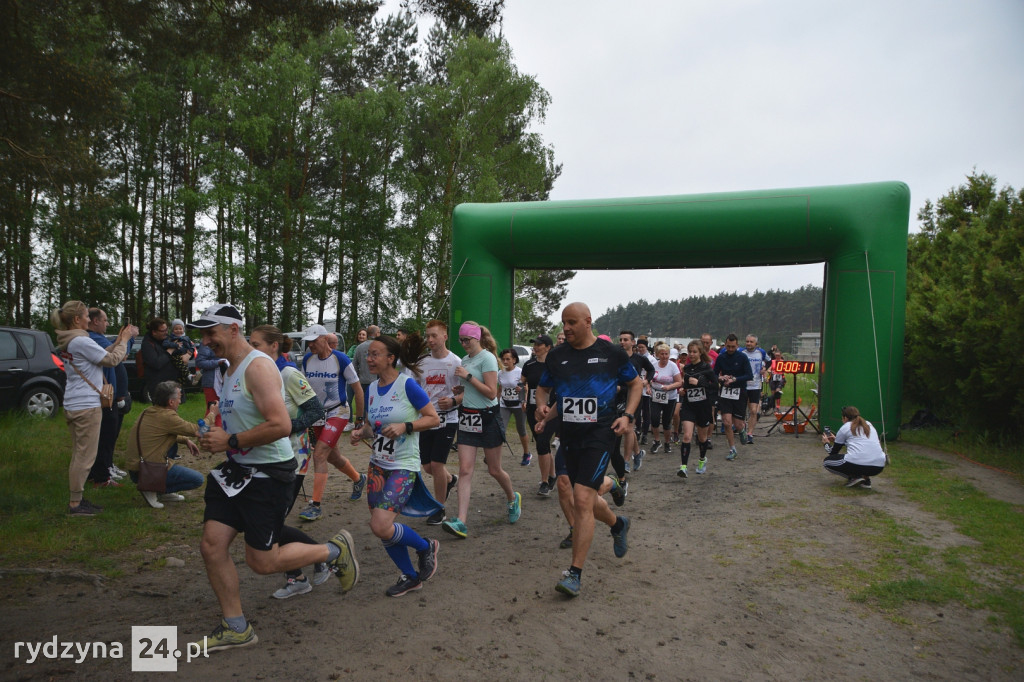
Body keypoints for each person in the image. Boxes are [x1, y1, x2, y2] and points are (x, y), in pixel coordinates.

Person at [188, 303, 359, 652]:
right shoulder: (232, 367)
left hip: (268, 475)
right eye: (202, 334)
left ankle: (331, 551)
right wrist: (217, 433)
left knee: (261, 562)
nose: (205, 341)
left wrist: (231, 441)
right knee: (211, 545)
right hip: (236, 471)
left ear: (233, 329)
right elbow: (244, 417)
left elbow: (280, 425)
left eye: (211, 333)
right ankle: (236, 626)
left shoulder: (260, 367)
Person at [534, 302, 640, 598]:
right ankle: (618, 522)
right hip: (568, 434)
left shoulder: (611, 354)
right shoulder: (557, 357)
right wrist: (543, 408)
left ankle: (574, 573)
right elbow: (545, 389)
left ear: (587, 322)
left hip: (600, 433)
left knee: (582, 498)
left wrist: (627, 416)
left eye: (571, 322)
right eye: (563, 323)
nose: (565, 328)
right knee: (567, 485)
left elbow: (636, 384)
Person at [349, 333, 441, 597]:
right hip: (378, 465)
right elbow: (372, 427)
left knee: (380, 525)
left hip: (403, 465)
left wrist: (406, 426)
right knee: (383, 528)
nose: (369, 359)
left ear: (391, 358)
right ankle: (411, 576)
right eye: (368, 355)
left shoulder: (407, 385)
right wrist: (361, 433)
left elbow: (433, 419)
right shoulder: (371, 389)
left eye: (375, 354)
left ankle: (425, 546)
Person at [248, 325, 333, 599]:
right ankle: (305, 568)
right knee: (271, 521)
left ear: (274, 346)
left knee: (274, 522)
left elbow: (315, 410)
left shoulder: (288, 374)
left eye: (256, 344)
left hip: (292, 459)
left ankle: (322, 556)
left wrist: (287, 426)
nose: (251, 349)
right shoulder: (257, 375)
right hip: (264, 459)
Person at [52, 301, 137, 515]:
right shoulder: (80, 340)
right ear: (77, 320)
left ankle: (78, 498)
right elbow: (111, 360)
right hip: (86, 406)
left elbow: (99, 353)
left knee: (80, 453)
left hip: (74, 402)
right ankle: (75, 504)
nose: (89, 320)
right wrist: (125, 340)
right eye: (86, 317)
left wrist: (118, 339)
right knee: (85, 456)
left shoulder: (70, 340)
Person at [441, 321, 521, 539]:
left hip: (488, 418)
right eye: (461, 340)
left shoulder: (487, 358)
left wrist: (468, 378)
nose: (464, 344)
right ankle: (461, 522)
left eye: (467, 340)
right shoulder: (465, 359)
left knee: (494, 469)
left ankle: (512, 498)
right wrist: (462, 388)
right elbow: (471, 388)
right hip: (467, 416)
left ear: (477, 338)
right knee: (465, 470)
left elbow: (490, 393)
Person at [296, 324, 367, 521]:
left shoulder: (340, 359)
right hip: (316, 413)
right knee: (331, 456)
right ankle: (358, 478)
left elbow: (358, 390)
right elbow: (302, 389)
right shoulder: (308, 359)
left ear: (325, 340)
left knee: (319, 454)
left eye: (313, 341)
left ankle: (315, 505)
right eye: (307, 342)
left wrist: (359, 419)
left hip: (338, 411)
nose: (310, 345)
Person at [126, 380, 206, 508]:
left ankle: (161, 490)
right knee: (198, 479)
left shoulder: (149, 411)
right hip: (147, 471)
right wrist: (213, 413)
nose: (180, 401)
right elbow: (199, 431)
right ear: (171, 402)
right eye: (179, 398)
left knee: (173, 443)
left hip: (137, 468)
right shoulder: (167, 417)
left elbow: (164, 432)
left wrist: (186, 440)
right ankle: (152, 488)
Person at [417, 320, 460, 525]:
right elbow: (413, 388)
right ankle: (450, 480)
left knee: (436, 464)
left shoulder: (456, 362)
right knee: (427, 467)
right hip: (426, 420)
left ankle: (439, 508)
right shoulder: (421, 362)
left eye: (434, 336)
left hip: (448, 419)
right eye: (428, 336)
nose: (430, 340)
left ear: (445, 336)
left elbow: (467, 393)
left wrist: (453, 400)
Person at [86, 307, 131, 487]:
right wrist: (125, 340)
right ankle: (101, 476)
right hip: (101, 396)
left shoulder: (93, 339)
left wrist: (123, 338)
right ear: (95, 321)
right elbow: (114, 358)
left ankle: (100, 471)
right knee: (105, 436)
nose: (107, 323)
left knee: (106, 435)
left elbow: (111, 350)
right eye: (105, 320)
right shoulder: (90, 338)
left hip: (106, 395)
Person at [522, 334, 558, 496]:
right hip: (532, 409)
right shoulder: (529, 364)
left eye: (539, 344)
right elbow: (523, 382)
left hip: (550, 410)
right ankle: (552, 475)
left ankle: (544, 482)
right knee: (541, 443)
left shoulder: (556, 365)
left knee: (542, 442)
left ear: (548, 347)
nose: (536, 347)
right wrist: (519, 389)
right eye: (534, 344)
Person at [677, 341, 718, 477]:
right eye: (690, 352)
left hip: (703, 407)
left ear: (700, 353)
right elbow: (687, 385)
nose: (692, 354)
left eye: (695, 352)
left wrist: (701, 383)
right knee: (687, 436)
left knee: (702, 438)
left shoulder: (707, 368)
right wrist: (683, 390)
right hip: (689, 406)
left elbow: (715, 386)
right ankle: (683, 467)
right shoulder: (687, 368)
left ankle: (702, 459)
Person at [821, 405, 886, 489]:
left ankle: (855, 477)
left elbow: (833, 453)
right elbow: (862, 443)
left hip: (859, 463)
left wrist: (826, 443)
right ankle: (865, 480)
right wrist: (840, 440)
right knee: (861, 458)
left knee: (827, 462)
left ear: (845, 418)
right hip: (879, 466)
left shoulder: (845, 427)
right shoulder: (868, 424)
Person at [619, 330, 655, 472]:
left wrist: (646, 381)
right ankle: (638, 453)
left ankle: (626, 461)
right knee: (628, 429)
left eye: (625, 340)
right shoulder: (617, 358)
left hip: (635, 395)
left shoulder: (639, 359)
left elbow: (652, 370)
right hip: (619, 395)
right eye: (621, 339)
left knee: (628, 429)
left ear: (633, 343)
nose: (622, 342)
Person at [714, 334, 753, 461]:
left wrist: (735, 379)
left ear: (737, 346)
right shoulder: (721, 357)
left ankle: (742, 430)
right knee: (726, 422)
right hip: (725, 392)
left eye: (733, 347)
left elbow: (749, 375)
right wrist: (720, 378)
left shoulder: (742, 357)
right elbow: (714, 374)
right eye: (728, 346)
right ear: (725, 345)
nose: (730, 349)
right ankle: (732, 449)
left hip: (739, 392)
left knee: (737, 424)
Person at [498, 348, 531, 466]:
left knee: (521, 429)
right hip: (504, 404)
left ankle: (527, 453)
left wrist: (524, 398)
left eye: (508, 359)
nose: (505, 361)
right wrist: (496, 401)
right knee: (500, 430)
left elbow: (526, 388)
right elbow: (500, 388)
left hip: (518, 404)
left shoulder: (520, 372)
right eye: (503, 359)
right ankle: (495, 457)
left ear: (514, 360)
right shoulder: (500, 373)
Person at [648, 342, 682, 455]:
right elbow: (648, 379)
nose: (664, 356)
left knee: (667, 421)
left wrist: (669, 387)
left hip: (669, 397)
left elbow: (679, 382)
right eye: (662, 354)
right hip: (655, 396)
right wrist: (648, 387)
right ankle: (657, 441)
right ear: (657, 354)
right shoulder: (653, 365)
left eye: (666, 354)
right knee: (654, 419)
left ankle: (667, 442)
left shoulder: (672, 366)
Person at [141, 317, 181, 401]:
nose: (166, 333)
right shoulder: (147, 344)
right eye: (163, 331)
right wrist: (169, 352)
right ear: (154, 332)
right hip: (158, 387)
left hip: (172, 383)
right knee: (162, 412)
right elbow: (156, 363)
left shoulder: (168, 339)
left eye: (167, 329)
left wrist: (188, 354)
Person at [741, 334, 769, 445]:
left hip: (755, 385)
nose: (748, 344)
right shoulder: (741, 352)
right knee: (741, 411)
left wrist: (764, 369)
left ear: (756, 344)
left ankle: (750, 433)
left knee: (753, 410)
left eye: (751, 342)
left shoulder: (761, 352)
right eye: (747, 341)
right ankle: (742, 429)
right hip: (743, 385)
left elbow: (769, 361)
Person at [352, 324, 380, 411]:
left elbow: (354, 365)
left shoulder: (359, 347)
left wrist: (357, 377)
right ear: (376, 334)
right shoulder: (379, 346)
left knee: (363, 404)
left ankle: (362, 421)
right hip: (376, 381)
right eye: (379, 332)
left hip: (362, 381)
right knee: (374, 404)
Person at [163, 318, 198, 387]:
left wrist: (190, 351)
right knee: (181, 367)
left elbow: (192, 346)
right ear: (172, 330)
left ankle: (181, 384)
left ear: (183, 329)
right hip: (175, 356)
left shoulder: (186, 338)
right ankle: (189, 376)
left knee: (182, 372)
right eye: (176, 329)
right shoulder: (170, 338)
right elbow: (165, 344)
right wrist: (175, 345)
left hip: (185, 356)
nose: (178, 331)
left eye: (180, 329)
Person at [196, 340, 226, 409]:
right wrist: (217, 363)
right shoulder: (206, 342)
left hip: (225, 381)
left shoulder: (227, 339)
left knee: (224, 411)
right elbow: (199, 362)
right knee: (213, 411)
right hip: (211, 383)